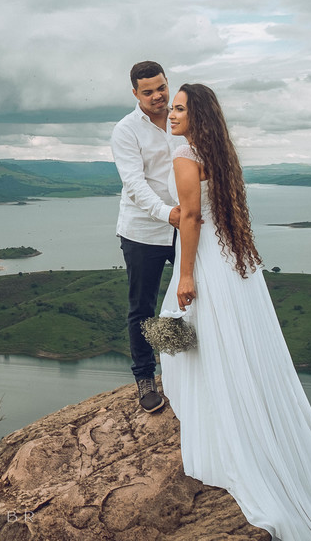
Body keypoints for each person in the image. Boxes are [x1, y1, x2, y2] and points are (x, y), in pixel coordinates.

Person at [160, 83, 311, 540]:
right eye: (172, 107)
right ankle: (231, 410)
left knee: (177, 339)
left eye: (180, 108)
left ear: (197, 115)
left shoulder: (185, 156)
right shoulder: (218, 155)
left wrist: (184, 275)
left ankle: (213, 422)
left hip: (202, 261)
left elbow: (192, 218)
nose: (172, 113)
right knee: (221, 340)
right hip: (233, 262)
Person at [111, 60, 182, 413]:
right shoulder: (126, 130)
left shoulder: (183, 119)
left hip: (187, 224)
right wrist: (168, 213)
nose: (157, 96)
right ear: (135, 93)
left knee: (198, 295)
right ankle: (145, 379)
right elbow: (134, 184)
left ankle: (192, 371)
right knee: (142, 307)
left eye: (161, 88)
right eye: (148, 91)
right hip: (144, 230)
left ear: (168, 84)